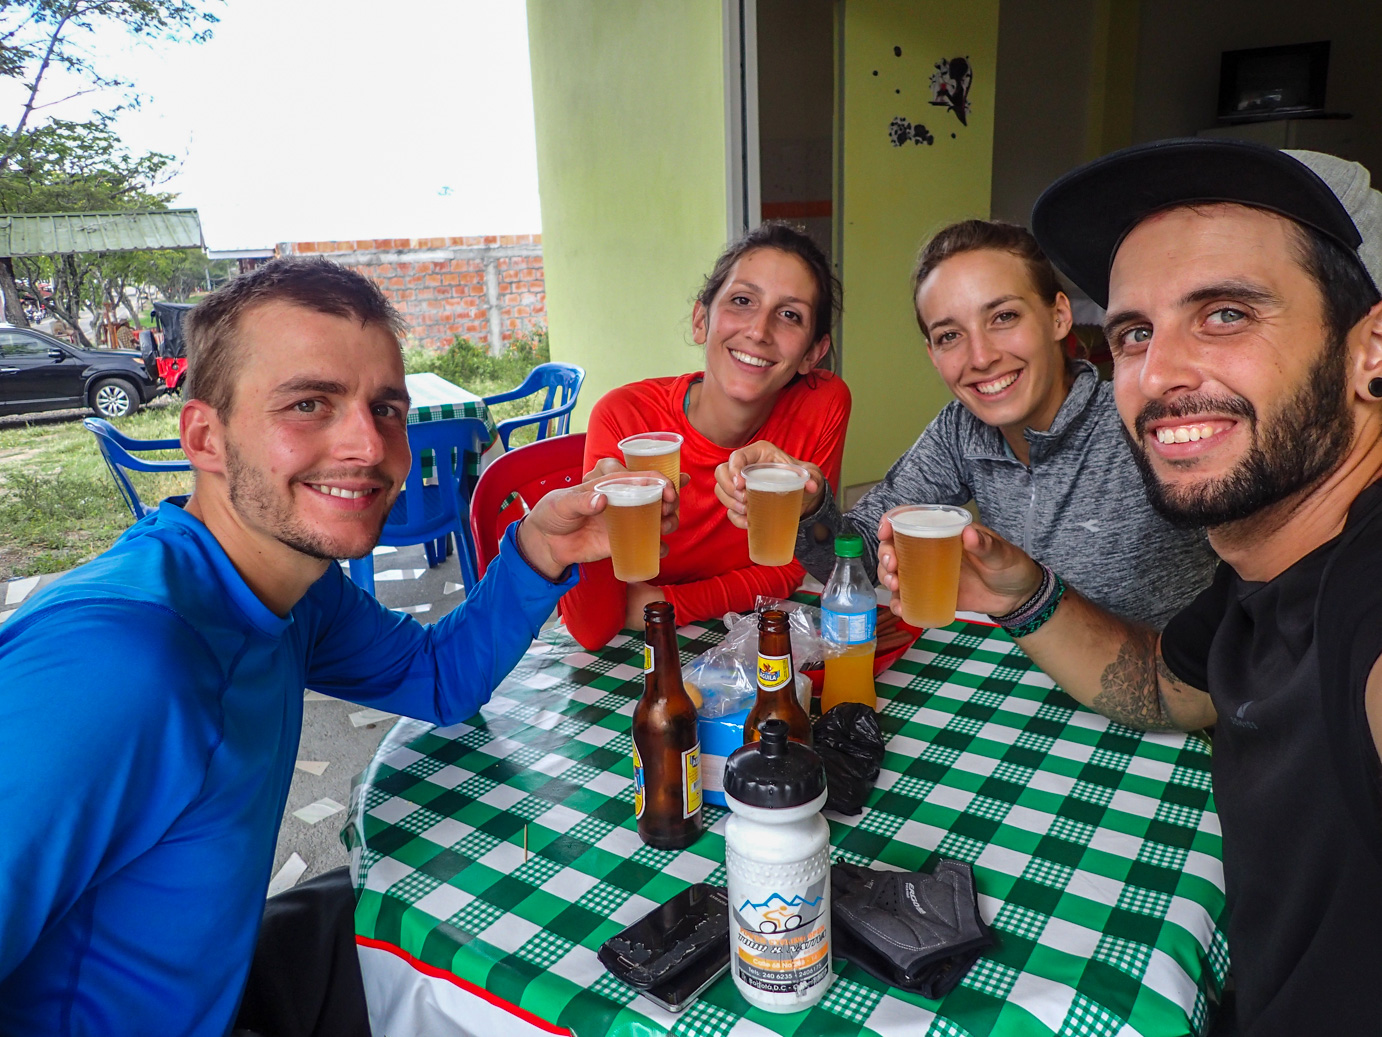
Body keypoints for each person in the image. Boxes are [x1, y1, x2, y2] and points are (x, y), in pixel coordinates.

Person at [0, 258, 681, 1036]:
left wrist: (538, 548)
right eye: (308, 404)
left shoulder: (295, 586)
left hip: (235, 977)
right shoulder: (115, 663)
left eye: (386, 408)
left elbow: (438, 677)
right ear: (205, 436)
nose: (369, 445)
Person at [873, 140, 1382, 1034]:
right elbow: (1161, 683)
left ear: (1371, 349)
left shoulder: (1361, 590)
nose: (1158, 374)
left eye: (1226, 313)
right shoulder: (1258, 573)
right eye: (1137, 332)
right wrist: (1022, 593)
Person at [715, 219, 1215, 627]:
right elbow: (858, 559)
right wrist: (809, 508)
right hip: (1019, 691)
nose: (980, 357)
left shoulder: (1141, 425)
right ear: (932, 355)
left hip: (1165, 703)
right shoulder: (960, 431)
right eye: (950, 335)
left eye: (1003, 317)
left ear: (1059, 316)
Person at [559, 222, 851, 648]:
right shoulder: (625, 417)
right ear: (701, 320)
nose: (759, 331)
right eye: (742, 300)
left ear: (812, 353)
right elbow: (593, 628)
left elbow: (792, 565)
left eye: (790, 315)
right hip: (638, 653)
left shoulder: (821, 402)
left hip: (735, 639)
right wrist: (592, 524)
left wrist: (663, 604)